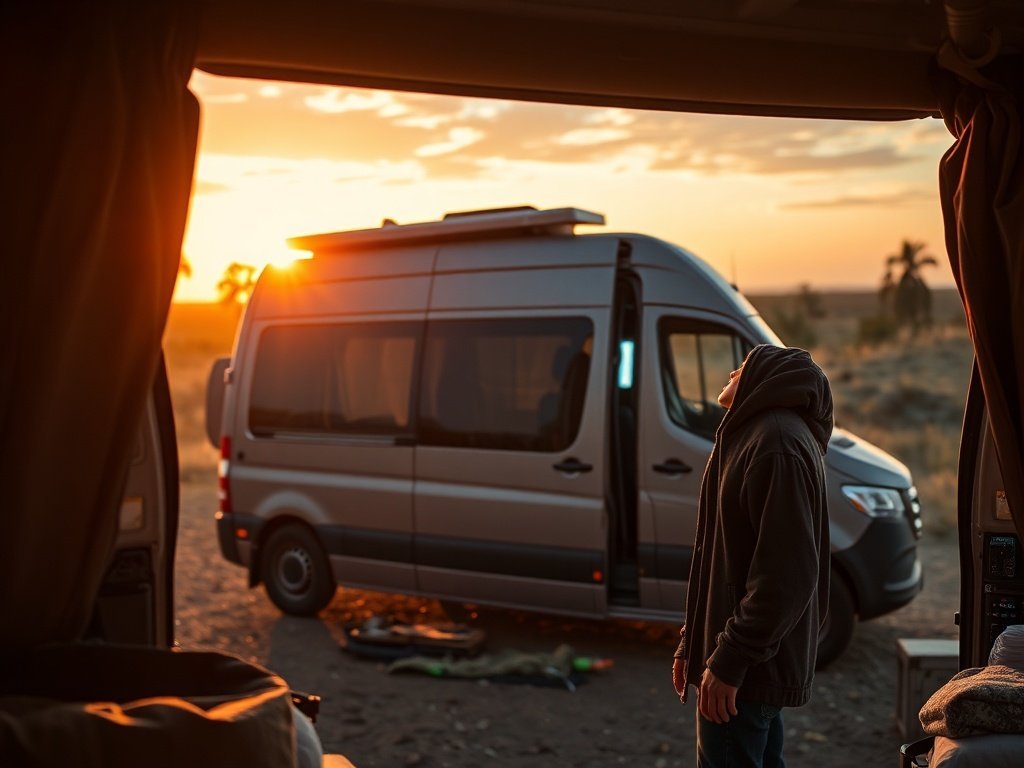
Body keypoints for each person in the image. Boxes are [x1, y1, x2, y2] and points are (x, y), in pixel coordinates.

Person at [671, 344, 833, 768]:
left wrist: (728, 661)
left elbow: (787, 577)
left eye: (743, 365)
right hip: (748, 668)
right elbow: (724, 559)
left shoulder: (775, 443)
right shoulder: (755, 433)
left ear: (769, 377)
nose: (731, 370)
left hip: (746, 676)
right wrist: (693, 641)